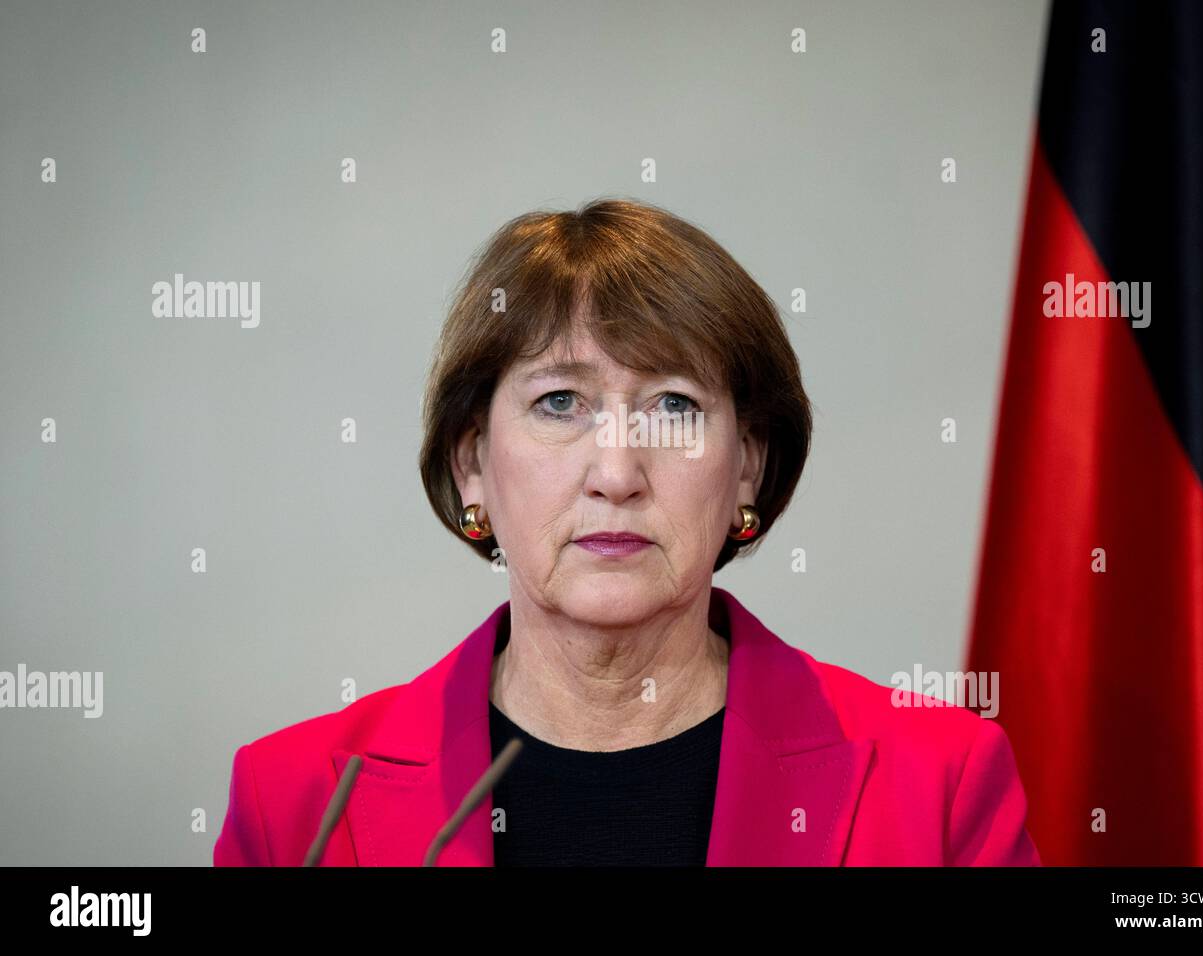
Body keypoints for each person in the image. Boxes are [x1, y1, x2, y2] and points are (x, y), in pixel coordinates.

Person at [213, 198, 1041, 866]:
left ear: (746, 467)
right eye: (558, 403)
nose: (616, 472)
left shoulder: (940, 784)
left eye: (674, 405)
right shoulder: (294, 804)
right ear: (472, 466)